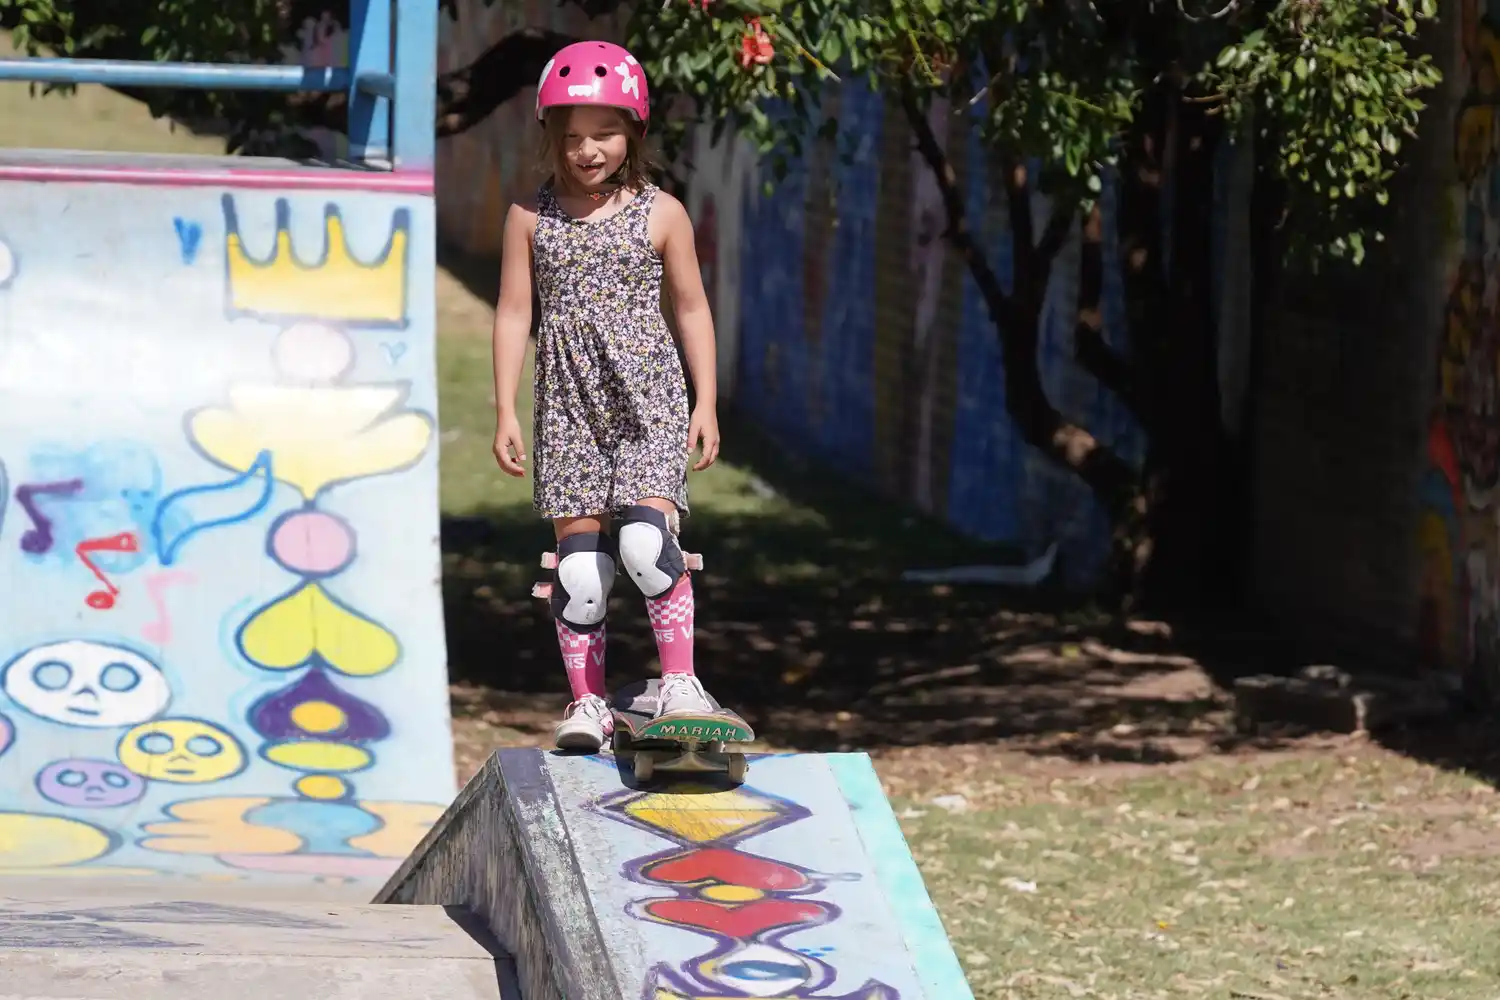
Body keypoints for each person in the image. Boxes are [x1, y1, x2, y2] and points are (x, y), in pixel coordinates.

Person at [489, 40, 722, 752]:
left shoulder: (663, 214)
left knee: (648, 548)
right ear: (551, 136)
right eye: (573, 135)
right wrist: (503, 407)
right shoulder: (530, 217)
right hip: (568, 407)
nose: (588, 149)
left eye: (605, 133)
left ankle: (680, 680)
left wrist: (705, 401)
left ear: (634, 133)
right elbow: (511, 313)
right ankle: (587, 703)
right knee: (584, 570)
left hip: (648, 399)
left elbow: (691, 309)